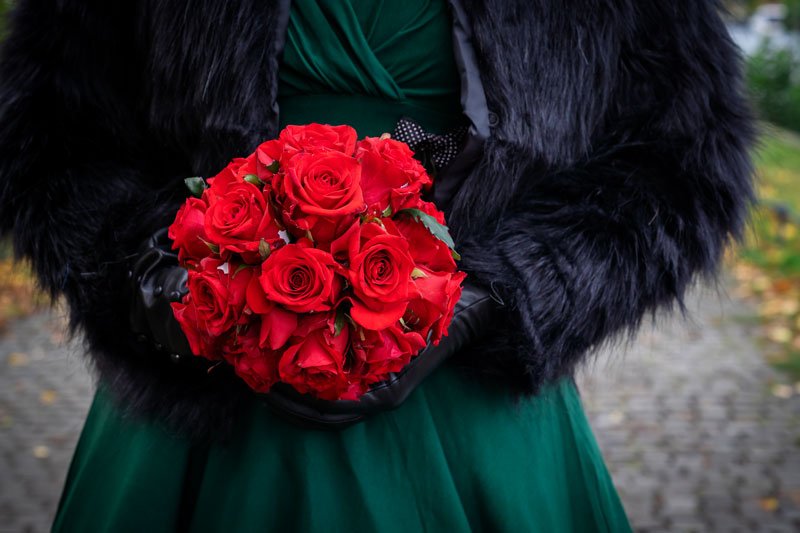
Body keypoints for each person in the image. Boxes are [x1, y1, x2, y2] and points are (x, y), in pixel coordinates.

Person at [0, 0, 753, 531]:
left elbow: (685, 163)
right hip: (202, 399)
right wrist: (146, 275)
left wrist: (494, 297)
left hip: (473, 404)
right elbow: (48, 134)